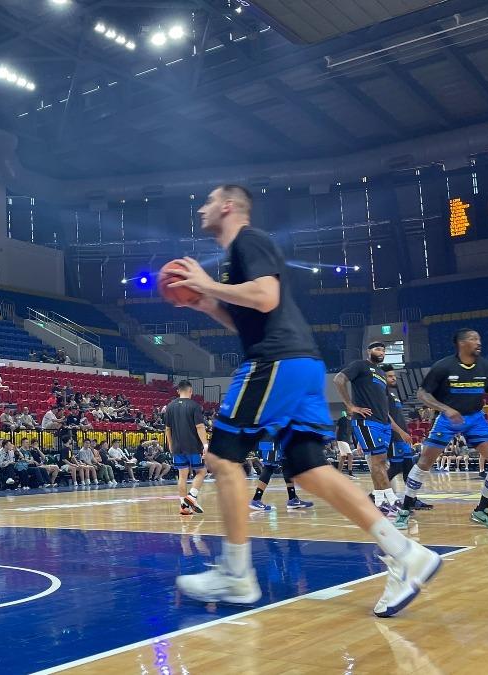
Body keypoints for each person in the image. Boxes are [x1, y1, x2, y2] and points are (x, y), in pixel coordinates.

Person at [165, 184, 440, 617]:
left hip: (275, 361)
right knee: (311, 471)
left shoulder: (247, 240)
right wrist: (205, 302)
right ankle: (407, 553)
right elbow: (248, 314)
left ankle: (236, 574)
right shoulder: (235, 259)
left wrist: (204, 283)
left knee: (222, 459)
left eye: (208, 200)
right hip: (301, 365)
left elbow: (265, 297)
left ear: (228, 205)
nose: (201, 208)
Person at [397, 328, 488, 531]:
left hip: (475, 418)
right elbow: (422, 393)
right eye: (474, 339)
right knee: (424, 462)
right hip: (447, 419)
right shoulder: (444, 366)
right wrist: (445, 409)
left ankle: (481, 511)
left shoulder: (487, 367)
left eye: (479, 338)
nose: (478, 342)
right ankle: (405, 509)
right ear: (461, 343)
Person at [335, 342, 410, 513]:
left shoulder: (382, 374)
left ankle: (378, 501)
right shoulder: (360, 365)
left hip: (382, 423)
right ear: (368, 351)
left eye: (383, 350)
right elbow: (339, 379)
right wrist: (350, 406)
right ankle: (392, 500)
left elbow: (384, 407)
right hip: (366, 422)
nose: (381, 352)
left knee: (380, 462)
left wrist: (397, 429)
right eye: (377, 349)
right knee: (378, 462)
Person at [383, 367, 433, 511]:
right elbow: (386, 416)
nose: (393, 378)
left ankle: (411, 500)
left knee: (409, 469)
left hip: (402, 437)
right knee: (396, 467)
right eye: (390, 376)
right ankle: (376, 495)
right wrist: (400, 432)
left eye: (394, 376)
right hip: (394, 437)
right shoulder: (382, 394)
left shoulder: (393, 394)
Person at [164, 380, 209, 515]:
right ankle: (192, 496)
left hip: (177, 446)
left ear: (178, 391)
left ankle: (184, 506)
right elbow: (200, 426)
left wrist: (171, 444)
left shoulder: (170, 406)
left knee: (182, 475)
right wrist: (205, 444)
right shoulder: (194, 406)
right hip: (193, 445)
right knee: (201, 472)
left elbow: (167, 429)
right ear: (191, 391)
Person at [249, 437, 314, 511]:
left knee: (287, 464)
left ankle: (292, 498)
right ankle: (256, 499)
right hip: (271, 435)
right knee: (269, 466)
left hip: (282, 436)